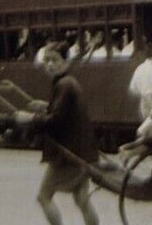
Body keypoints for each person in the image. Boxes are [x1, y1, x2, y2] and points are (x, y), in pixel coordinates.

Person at [17, 44, 100, 225]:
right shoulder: (69, 82)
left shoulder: (63, 84)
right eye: (47, 60)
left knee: (43, 196)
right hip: (85, 152)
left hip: (69, 155)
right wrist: (44, 106)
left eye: (55, 60)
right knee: (81, 199)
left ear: (66, 61)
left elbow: (55, 120)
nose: (50, 65)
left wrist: (29, 118)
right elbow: (63, 112)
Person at [127, 45, 152, 140]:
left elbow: (133, 88)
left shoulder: (140, 68)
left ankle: (129, 151)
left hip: (143, 103)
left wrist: (142, 93)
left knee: (149, 136)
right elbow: (150, 91)